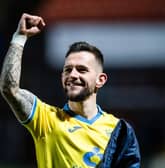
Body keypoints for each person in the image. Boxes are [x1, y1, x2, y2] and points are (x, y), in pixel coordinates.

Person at [0, 13, 140, 168]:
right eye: (68, 70)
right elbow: (9, 88)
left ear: (100, 80)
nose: (73, 75)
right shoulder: (46, 119)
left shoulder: (119, 130)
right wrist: (19, 37)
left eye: (82, 70)